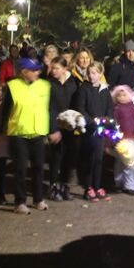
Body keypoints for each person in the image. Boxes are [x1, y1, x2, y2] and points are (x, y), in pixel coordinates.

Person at [1, 57, 51, 214]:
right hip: (19, 133)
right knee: (21, 169)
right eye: (34, 70)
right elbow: (6, 110)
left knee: (38, 168)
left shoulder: (45, 86)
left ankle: (38, 199)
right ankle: (20, 202)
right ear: (24, 72)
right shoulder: (12, 86)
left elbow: (51, 108)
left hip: (38, 133)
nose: (38, 72)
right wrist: (1, 131)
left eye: (38, 69)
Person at [74, 62, 113, 202]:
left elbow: (109, 107)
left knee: (99, 159)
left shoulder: (105, 89)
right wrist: (91, 121)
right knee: (89, 159)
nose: (91, 76)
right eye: (89, 73)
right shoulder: (84, 89)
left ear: (101, 74)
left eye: (95, 73)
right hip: (89, 129)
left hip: (101, 129)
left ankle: (97, 186)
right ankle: (88, 187)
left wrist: (107, 119)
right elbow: (81, 108)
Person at [47, 57, 79, 201]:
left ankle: (65, 186)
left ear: (65, 69)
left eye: (57, 68)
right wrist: (52, 129)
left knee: (69, 158)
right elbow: (48, 108)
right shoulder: (49, 84)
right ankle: (53, 186)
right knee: (56, 158)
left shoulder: (74, 83)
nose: (53, 71)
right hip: (56, 125)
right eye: (52, 68)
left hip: (71, 126)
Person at [106, 39, 134, 134]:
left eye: (133, 51)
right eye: (128, 51)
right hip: (122, 109)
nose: (131, 54)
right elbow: (111, 88)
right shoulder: (117, 68)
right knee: (123, 134)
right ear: (125, 52)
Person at [111, 85, 134, 195]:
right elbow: (114, 123)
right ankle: (118, 183)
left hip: (132, 138)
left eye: (124, 95)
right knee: (120, 163)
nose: (122, 97)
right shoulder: (116, 109)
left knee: (132, 163)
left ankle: (130, 186)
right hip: (121, 140)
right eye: (119, 95)